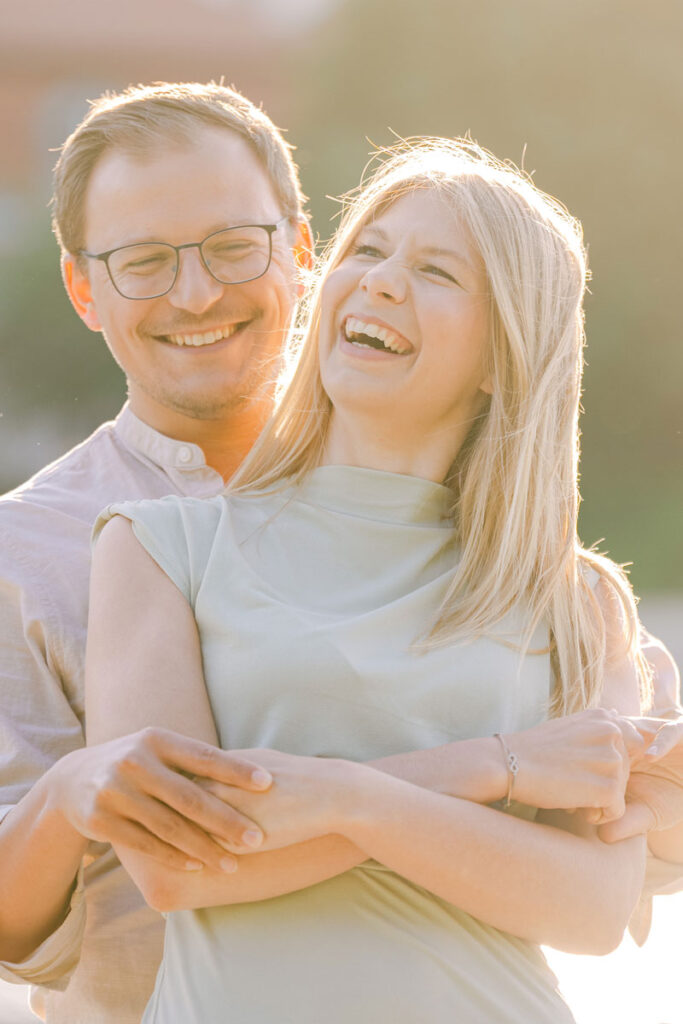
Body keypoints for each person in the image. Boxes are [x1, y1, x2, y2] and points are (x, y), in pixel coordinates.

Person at [0, 84, 679, 1023]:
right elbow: (170, 862)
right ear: (86, 289)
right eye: (145, 261)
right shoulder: (120, 546)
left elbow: (606, 886)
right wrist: (493, 766)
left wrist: (350, 800)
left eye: (232, 247)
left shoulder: (562, 589)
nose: (196, 293)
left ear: (297, 254)